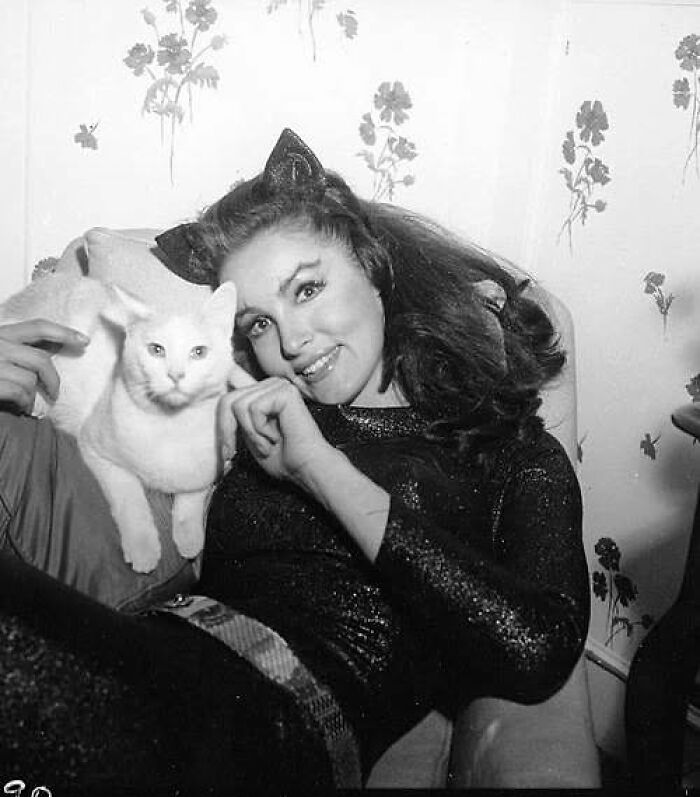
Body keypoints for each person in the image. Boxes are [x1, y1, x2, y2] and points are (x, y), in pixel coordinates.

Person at [0, 129, 590, 792]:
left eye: (306, 290)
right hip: (153, 665)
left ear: (373, 266)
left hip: (274, 733)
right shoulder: (254, 407)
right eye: (258, 323)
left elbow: (538, 646)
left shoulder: (510, 451)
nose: (291, 340)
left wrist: (320, 467)